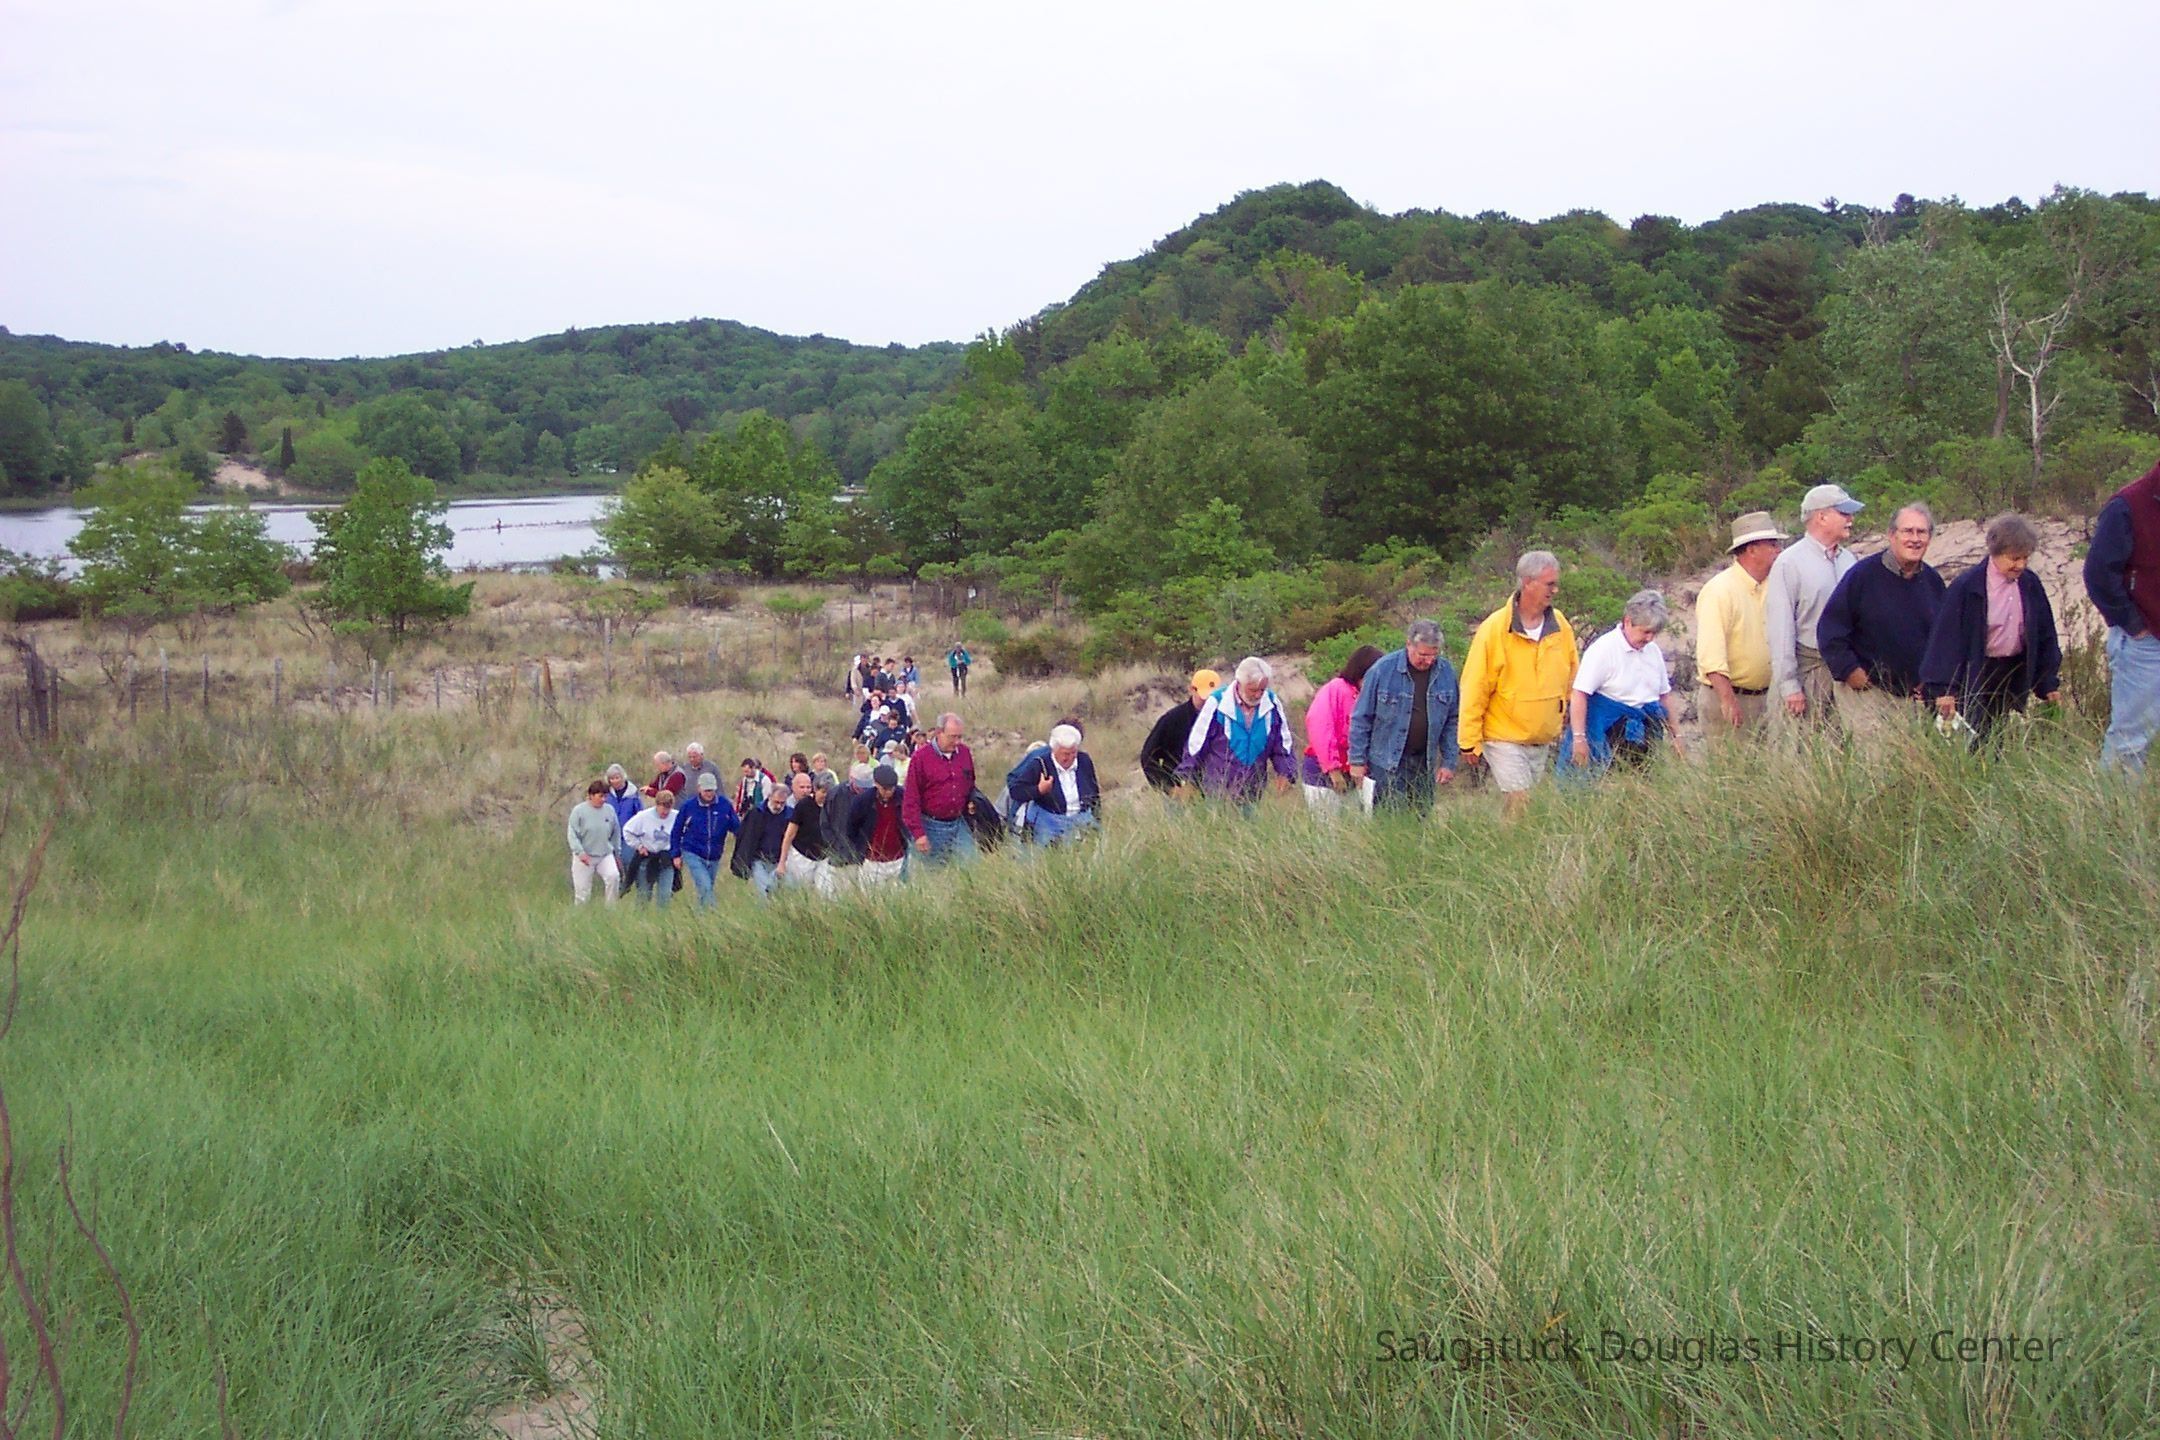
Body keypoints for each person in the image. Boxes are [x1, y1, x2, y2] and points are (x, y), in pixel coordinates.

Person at [1921, 514, 2062, 745]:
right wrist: (1944, 689)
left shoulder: (2030, 583)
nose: (2020, 565)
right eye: (2014, 558)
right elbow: (1946, 639)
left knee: (2002, 740)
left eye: (2025, 558)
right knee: (1969, 740)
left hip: (2012, 674)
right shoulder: (1967, 586)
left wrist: (2047, 682)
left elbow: (2045, 635)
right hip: (1975, 672)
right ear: (1995, 552)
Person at [1459, 551, 1579, 815]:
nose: (1555, 590)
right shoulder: (1494, 629)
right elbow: (1475, 686)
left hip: (1542, 736)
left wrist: (1570, 714)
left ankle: (1505, 839)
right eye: (1549, 584)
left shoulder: (1561, 625)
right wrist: (1469, 740)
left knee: (1528, 808)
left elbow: (1572, 673)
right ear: (1527, 582)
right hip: (1503, 735)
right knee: (1519, 801)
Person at [1817, 502, 1947, 744]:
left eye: (1922, 532)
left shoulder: (1932, 582)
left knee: (1911, 762)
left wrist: (1931, 678)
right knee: (1874, 762)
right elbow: (1830, 629)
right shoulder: (1862, 576)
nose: (1915, 539)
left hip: (1913, 699)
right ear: (1891, 535)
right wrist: (1849, 670)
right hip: (1868, 694)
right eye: (1907, 531)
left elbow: (1943, 638)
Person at [1766, 483, 1864, 735]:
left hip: (1844, 675)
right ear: (1821, 516)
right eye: (1843, 513)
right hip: (1807, 672)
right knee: (1800, 746)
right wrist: (1789, 685)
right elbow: (1780, 628)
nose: (1851, 520)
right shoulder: (1789, 563)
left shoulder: (1849, 560)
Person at [2083, 456, 2160, 772]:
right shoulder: (2128, 506)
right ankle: (2113, 804)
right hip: (2146, 644)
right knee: (2131, 741)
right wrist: (2134, 625)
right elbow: (2099, 574)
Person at [1562, 590, 1685, 775]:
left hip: (1644, 736)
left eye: (1654, 633)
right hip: (1605, 734)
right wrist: (1579, 739)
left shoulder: (1653, 651)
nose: (1649, 638)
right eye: (1645, 631)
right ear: (1628, 621)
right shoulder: (1603, 650)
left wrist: (1677, 735)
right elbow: (1579, 694)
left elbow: (1664, 696)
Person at [1695, 512, 1786, 752]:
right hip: (1730, 697)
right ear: (1752, 550)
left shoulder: (1777, 585)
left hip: (1769, 697)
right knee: (1731, 766)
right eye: (1772, 544)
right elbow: (1711, 657)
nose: (1778, 550)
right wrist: (1728, 700)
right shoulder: (1719, 591)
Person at [1349, 623, 1461, 812]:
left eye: (1434, 655)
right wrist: (1357, 761)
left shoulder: (1446, 673)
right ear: (1409, 644)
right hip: (1386, 763)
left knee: (1420, 817)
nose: (1429, 661)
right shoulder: (1381, 670)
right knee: (1388, 817)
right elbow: (1361, 717)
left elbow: (1452, 720)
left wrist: (1449, 762)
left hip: (1424, 763)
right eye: (1423, 655)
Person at [1177, 657, 1296, 803]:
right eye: (1253, 690)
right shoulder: (1217, 702)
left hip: (1253, 792)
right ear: (1239, 683)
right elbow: (1196, 744)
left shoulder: (1272, 703)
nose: (1258, 695)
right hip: (1217, 791)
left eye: (1262, 690)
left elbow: (1283, 743)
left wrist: (1286, 773)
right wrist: (1186, 778)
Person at [1304, 646, 1384, 815]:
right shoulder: (1336, 689)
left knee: (1356, 824)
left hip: (1356, 773)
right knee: (1327, 826)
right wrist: (1333, 769)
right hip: (1324, 773)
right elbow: (1321, 729)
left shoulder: (1371, 697)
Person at [902, 711, 978, 866]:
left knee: (973, 866)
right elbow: (911, 797)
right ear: (939, 733)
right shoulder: (920, 758)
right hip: (931, 826)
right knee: (932, 873)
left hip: (959, 823)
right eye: (952, 737)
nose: (957, 742)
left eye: (960, 737)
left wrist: (972, 801)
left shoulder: (964, 753)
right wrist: (918, 833)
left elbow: (970, 782)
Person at [1008, 724, 1100, 846]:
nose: (1070, 758)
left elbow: (1094, 791)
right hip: (1049, 824)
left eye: (1073, 753)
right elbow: (1015, 791)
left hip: (1081, 820)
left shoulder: (1084, 761)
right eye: (1065, 754)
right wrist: (1039, 790)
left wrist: (1097, 817)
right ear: (1054, 750)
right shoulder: (1039, 764)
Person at [1140, 670, 1221, 794]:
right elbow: (1148, 756)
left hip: (1216, 791)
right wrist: (1170, 789)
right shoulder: (1173, 719)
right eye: (1204, 697)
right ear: (1192, 690)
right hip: (1180, 790)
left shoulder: (1225, 719)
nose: (1208, 702)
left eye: (1213, 698)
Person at [673, 772, 740, 908]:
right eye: (706, 790)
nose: (709, 793)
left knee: (706, 889)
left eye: (712, 790)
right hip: (693, 852)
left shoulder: (724, 805)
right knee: (705, 886)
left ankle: (701, 916)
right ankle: (715, 913)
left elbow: (736, 828)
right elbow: (676, 831)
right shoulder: (688, 806)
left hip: (715, 855)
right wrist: (676, 854)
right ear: (699, 788)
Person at [622, 784, 683, 907]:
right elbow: (627, 830)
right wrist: (639, 846)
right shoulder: (644, 816)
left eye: (668, 808)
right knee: (644, 895)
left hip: (666, 859)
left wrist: (678, 853)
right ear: (657, 805)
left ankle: (662, 917)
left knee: (665, 895)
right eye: (663, 808)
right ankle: (641, 917)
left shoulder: (677, 816)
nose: (665, 812)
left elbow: (685, 835)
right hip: (647, 858)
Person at [849, 764, 910, 887]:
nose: (888, 792)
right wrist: (860, 850)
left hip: (899, 860)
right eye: (884, 789)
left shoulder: (903, 797)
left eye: (891, 789)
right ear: (876, 784)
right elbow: (851, 828)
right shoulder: (862, 801)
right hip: (872, 862)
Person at [731, 785, 792, 900]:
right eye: (776, 802)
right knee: (763, 892)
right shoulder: (756, 813)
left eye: (782, 803)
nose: (779, 806)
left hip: (779, 861)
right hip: (759, 860)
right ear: (769, 797)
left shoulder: (790, 815)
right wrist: (742, 863)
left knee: (778, 892)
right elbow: (745, 838)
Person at [777, 773, 834, 896]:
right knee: (802, 892)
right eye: (823, 792)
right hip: (802, 857)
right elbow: (789, 835)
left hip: (824, 858)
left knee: (826, 893)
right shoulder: (803, 806)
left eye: (828, 793)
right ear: (815, 789)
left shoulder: (832, 806)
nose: (825, 795)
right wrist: (782, 862)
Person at [566, 780, 622, 904]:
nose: (603, 799)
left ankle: (611, 909)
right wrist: (580, 852)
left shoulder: (609, 810)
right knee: (582, 892)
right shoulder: (579, 811)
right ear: (591, 795)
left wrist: (617, 854)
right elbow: (572, 834)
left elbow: (616, 833)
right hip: (585, 856)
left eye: (605, 796)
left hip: (605, 854)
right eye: (600, 796)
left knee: (613, 876)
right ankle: (581, 913)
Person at [600, 763, 642, 878]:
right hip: (609, 835)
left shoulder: (633, 794)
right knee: (612, 865)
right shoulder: (606, 794)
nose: (615, 781)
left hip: (627, 835)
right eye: (611, 778)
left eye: (617, 777)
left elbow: (640, 814)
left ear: (622, 777)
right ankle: (618, 885)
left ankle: (628, 882)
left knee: (627, 860)